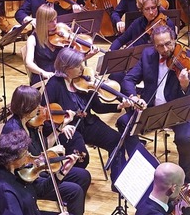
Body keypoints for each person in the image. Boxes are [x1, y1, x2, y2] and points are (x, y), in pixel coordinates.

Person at [0, 85, 97, 215]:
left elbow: (39, 151)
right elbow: (30, 162)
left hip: (36, 170)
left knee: (82, 176)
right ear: (26, 107)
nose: (40, 108)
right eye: (36, 105)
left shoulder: (30, 124)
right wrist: (46, 160)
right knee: (74, 190)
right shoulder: (14, 132)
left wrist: (58, 131)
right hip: (29, 176)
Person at [120, 25, 190, 183]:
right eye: (160, 46)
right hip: (153, 109)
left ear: (174, 39)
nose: (165, 49)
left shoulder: (189, 58)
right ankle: (141, 166)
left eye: (168, 44)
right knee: (124, 123)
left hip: (180, 109)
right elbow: (128, 79)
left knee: (184, 138)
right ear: (154, 45)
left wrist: (185, 85)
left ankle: (185, 177)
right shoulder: (147, 55)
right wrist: (133, 97)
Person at [44, 47, 133, 186]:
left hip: (88, 123)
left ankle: (119, 183)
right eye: (78, 65)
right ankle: (70, 186)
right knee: (81, 157)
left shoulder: (84, 81)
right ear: (66, 68)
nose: (82, 68)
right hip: (69, 128)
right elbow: (46, 115)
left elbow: (97, 107)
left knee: (117, 140)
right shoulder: (54, 85)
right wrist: (60, 127)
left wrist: (119, 107)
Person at [0, 130, 80, 215]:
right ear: (12, 160)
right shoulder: (4, 191)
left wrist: (62, 172)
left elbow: (41, 190)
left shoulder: (17, 170)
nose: (29, 155)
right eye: (24, 154)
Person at [24, 4, 99, 85]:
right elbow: (29, 63)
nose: (55, 23)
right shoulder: (32, 39)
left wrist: (87, 56)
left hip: (63, 75)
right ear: (42, 22)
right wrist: (44, 73)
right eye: (50, 21)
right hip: (44, 77)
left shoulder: (61, 36)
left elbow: (69, 63)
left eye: (55, 19)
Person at [110, 0, 176, 51]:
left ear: (157, 7)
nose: (151, 12)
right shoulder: (136, 24)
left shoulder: (167, 23)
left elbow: (171, 47)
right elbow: (120, 40)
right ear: (142, 10)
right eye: (147, 9)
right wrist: (110, 51)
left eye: (153, 8)